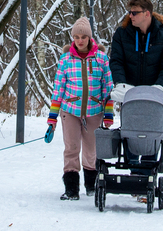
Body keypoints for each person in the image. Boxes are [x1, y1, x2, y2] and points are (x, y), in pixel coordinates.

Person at [46, 17, 114, 200]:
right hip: (70, 111)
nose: (80, 40)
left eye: (83, 36)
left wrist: (108, 114)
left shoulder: (100, 58)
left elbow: (108, 87)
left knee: (91, 150)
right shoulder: (66, 59)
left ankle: (91, 186)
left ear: (89, 37)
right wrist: (52, 118)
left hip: (94, 111)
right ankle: (71, 189)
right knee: (71, 148)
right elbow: (58, 89)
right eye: (76, 36)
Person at [108, 0, 163, 107]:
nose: (131, 16)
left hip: (155, 97)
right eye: (130, 12)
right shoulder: (121, 34)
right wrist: (121, 83)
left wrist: (159, 86)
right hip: (129, 95)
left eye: (135, 13)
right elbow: (116, 61)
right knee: (130, 124)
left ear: (147, 13)